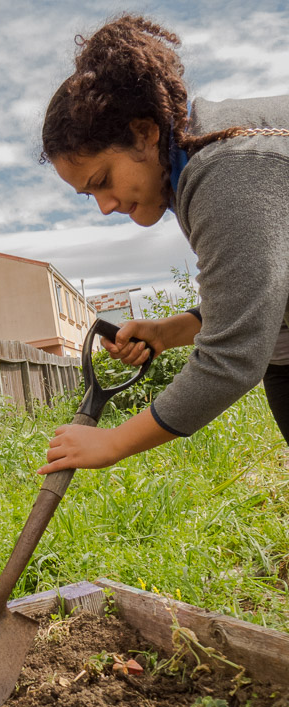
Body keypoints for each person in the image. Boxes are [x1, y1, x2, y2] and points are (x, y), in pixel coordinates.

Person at [37, 14, 289, 475]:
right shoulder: (188, 170)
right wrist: (168, 333)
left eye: (103, 181)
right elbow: (260, 297)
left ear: (145, 132)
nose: (106, 206)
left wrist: (112, 442)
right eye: (89, 195)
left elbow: (232, 359)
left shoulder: (227, 172)